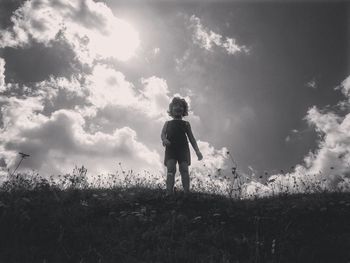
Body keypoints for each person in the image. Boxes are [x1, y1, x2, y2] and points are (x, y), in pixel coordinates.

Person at [161, 97, 203, 196]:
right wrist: (164, 139)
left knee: (184, 169)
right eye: (176, 105)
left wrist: (197, 151)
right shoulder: (167, 123)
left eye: (181, 106)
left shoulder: (186, 124)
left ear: (184, 110)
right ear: (171, 109)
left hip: (183, 149)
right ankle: (169, 193)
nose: (178, 107)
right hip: (171, 149)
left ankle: (186, 193)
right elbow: (162, 134)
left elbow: (192, 138)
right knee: (171, 169)